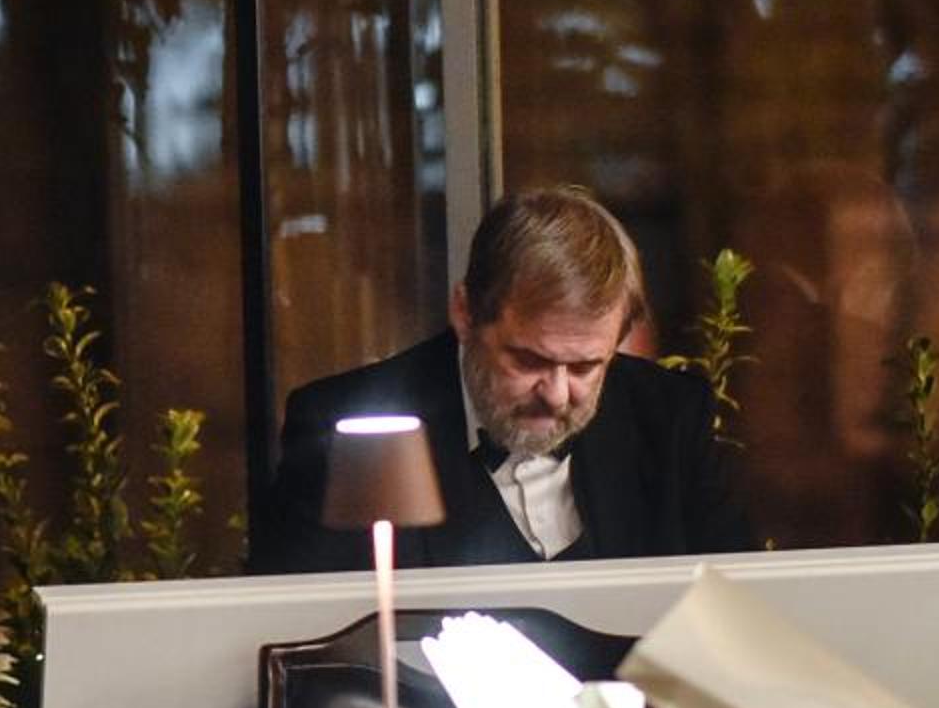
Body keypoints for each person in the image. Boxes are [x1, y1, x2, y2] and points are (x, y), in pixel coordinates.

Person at [250, 185, 752, 574]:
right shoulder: (346, 427)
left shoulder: (668, 415)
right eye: (529, 360)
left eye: (585, 367)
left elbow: (734, 615)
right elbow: (308, 642)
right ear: (465, 313)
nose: (557, 395)